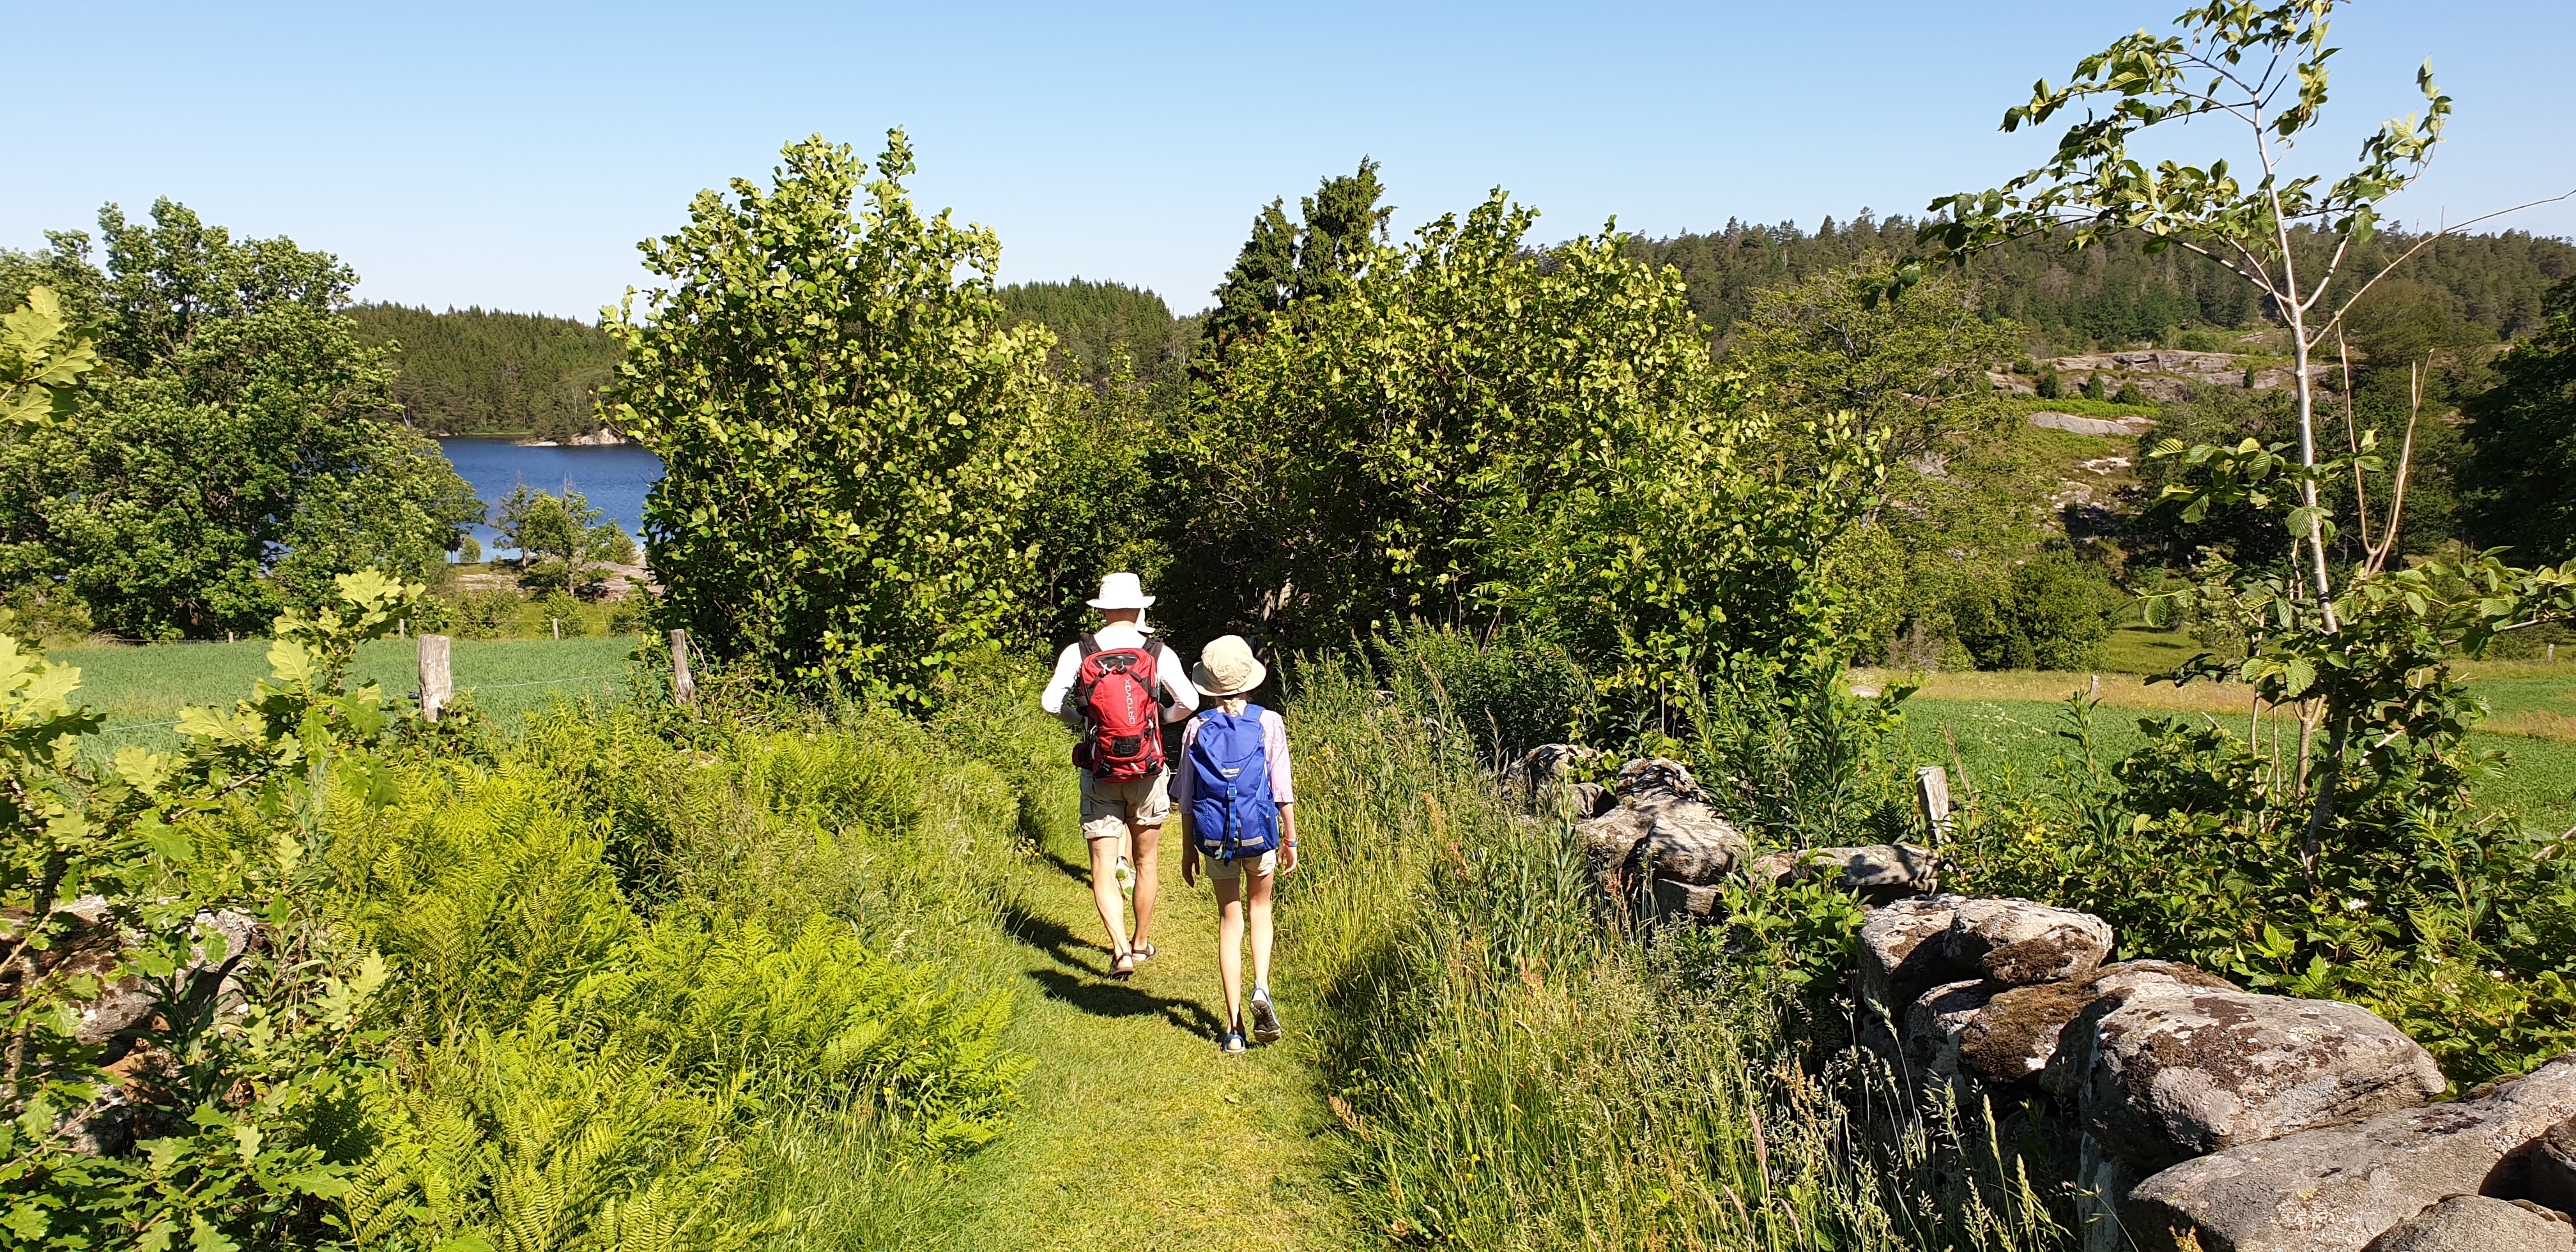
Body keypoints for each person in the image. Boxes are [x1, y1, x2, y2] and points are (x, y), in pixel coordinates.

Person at [1040, 572, 1198, 979]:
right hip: (1147, 769)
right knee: (1147, 861)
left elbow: (1050, 703)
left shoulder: (1080, 652)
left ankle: (1121, 950)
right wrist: (1161, 720)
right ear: (1139, 607)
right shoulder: (1158, 652)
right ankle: (1142, 943)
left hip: (1101, 770)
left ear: (1103, 609)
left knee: (1102, 864)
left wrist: (1081, 720)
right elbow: (1190, 700)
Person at [1176, 634, 1299, 1054]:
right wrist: (1290, 838)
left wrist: (1188, 848)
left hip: (1214, 838)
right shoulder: (1269, 722)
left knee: (1230, 921)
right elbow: (1281, 789)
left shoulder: (1196, 727)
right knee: (1260, 909)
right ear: (1249, 679)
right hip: (1259, 834)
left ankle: (1233, 1029)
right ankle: (1261, 985)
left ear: (1208, 684)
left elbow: (1187, 795)